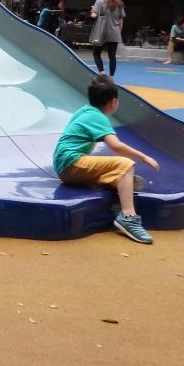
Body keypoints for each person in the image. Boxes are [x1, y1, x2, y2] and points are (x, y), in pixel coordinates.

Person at [53, 74, 160, 244]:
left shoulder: (85, 110)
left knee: (112, 166)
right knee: (126, 164)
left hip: (65, 164)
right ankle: (128, 217)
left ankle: (115, 180)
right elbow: (116, 146)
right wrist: (143, 157)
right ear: (113, 102)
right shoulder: (98, 117)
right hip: (71, 163)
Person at [89, 0, 125, 76]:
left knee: (96, 53)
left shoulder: (99, 1)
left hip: (101, 32)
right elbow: (120, 19)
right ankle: (111, 77)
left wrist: (92, 12)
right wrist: (119, 31)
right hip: (115, 32)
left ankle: (102, 73)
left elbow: (94, 15)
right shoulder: (119, 2)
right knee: (112, 56)